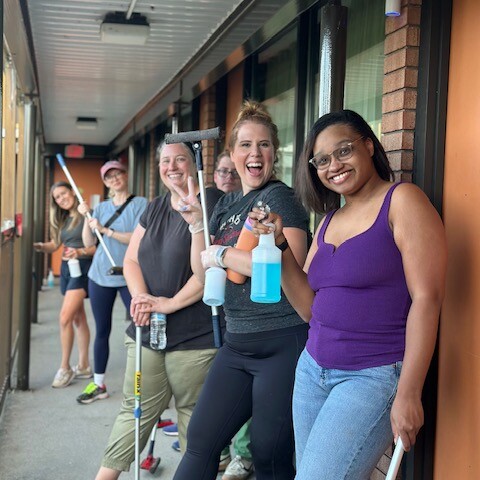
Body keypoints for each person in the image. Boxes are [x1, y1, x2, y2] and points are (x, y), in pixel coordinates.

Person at [250, 109, 447, 479]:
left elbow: (427, 299)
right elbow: (309, 308)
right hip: (312, 371)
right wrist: (277, 245)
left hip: (372, 375)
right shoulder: (328, 220)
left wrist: (409, 391)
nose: (333, 166)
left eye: (343, 151)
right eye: (322, 160)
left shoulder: (402, 201)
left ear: (368, 146)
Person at [172, 100, 311, 480]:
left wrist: (222, 254)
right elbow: (202, 273)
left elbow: (292, 266)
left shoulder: (281, 198)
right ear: (232, 155)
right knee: (200, 441)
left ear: (274, 153)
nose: (255, 153)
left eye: (264, 144)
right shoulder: (226, 204)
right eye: (246, 145)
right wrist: (195, 226)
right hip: (237, 342)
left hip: (283, 341)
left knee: (268, 452)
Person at [95, 141, 223, 479]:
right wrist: (141, 299)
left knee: (192, 418)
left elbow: (209, 271)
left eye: (180, 159)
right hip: (146, 331)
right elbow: (131, 259)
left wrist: (169, 304)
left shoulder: (211, 202)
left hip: (194, 337)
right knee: (133, 411)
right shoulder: (153, 207)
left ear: (194, 164)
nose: (172, 166)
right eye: (165, 160)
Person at [76, 160, 147, 404]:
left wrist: (107, 231)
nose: (115, 179)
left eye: (118, 174)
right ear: (105, 183)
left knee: (141, 328)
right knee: (102, 330)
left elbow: (138, 239)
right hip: (101, 276)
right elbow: (88, 243)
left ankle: (145, 387)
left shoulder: (141, 204)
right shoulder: (101, 208)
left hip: (130, 274)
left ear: (126, 176)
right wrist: (87, 219)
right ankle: (98, 384)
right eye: (109, 177)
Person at [34, 181, 95, 388]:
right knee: (78, 318)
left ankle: (65, 368)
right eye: (57, 198)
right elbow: (56, 245)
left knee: (64, 318)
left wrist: (79, 252)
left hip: (82, 270)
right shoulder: (63, 219)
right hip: (67, 270)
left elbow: (96, 248)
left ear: (72, 191)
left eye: (63, 194)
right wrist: (41, 247)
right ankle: (84, 365)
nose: (61, 199)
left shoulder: (87, 213)